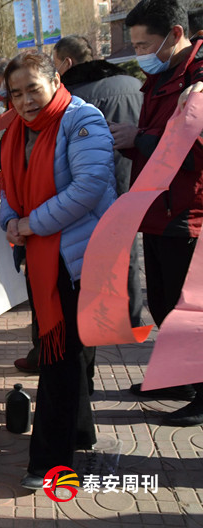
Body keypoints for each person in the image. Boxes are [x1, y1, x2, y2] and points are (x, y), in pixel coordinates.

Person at [0, 52, 116, 490]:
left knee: (60, 359)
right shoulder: (18, 132)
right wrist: (10, 219)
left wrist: (30, 223)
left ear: (54, 80)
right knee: (69, 354)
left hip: (77, 258)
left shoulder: (81, 120)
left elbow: (88, 186)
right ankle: (78, 433)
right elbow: (9, 185)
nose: (25, 101)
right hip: (43, 257)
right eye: (15, 93)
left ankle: (49, 464)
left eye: (33, 89)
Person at [109, 0, 203, 424]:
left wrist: (139, 136)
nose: (139, 52)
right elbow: (159, 138)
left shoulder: (197, 80)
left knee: (189, 309)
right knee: (164, 302)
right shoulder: (163, 76)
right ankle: (179, 377)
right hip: (158, 208)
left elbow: (194, 149)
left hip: (188, 210)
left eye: (145, 43)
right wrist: (132, 139)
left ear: (175, 35)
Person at [53, 34, 145, 331]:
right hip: (136, 175)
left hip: (94, 182)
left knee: (92, 251)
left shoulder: (75, 93)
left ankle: (101, 317)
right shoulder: (134, 83)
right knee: (128, 248)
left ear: (67, 62)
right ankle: (131, 316)